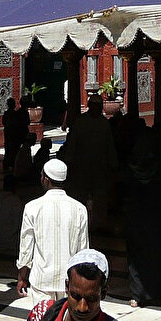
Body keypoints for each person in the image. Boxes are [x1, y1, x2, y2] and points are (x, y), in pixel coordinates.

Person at [11, 249, 139, 321]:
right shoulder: (42, 316)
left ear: (104, 293)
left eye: (91, 299)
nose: (82, 307)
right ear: (67, 287)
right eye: (76, 296)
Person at [17, 159, 90, 304]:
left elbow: (26, 248)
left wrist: (22, 277)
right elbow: (83, 250)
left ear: (45, 179)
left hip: (42, 279)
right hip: (69, 280)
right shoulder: (79, 209)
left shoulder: (32, 207)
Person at [122, 121, 161, 308]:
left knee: (135, 256)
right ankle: (156, 292)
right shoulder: (159, 166)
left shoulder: (129, 166)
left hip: (135, 216)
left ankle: (136, 294)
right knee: (155, 254)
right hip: (155, 216)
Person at [60, 94, 118, 227]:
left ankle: (99, 223)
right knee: (79, 195)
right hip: (82, 166)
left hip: (99, 167)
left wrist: (113, 163)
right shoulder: (81, 122)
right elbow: (73, 143)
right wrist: (69, 161)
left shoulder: (103, 123)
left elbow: (109, 145)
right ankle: (77, 222)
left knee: (100, 196)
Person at [3, 98, 30, 178]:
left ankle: (8, 164)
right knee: (14, 149)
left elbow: (4, 123)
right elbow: (26, 122)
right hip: (16, 133)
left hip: (10, 133)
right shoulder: (17, 113)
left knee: (9, 149)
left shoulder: (13, 113)